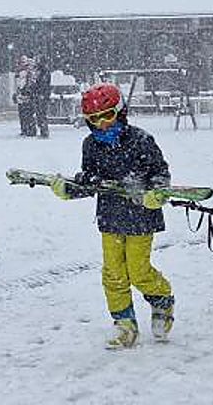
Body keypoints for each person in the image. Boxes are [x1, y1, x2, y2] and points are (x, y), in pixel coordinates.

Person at [49, 82, 174, 349]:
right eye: (94, 119)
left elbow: (160, 174)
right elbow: (93, 184)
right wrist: (71, 189)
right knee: (113, 273)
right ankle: (124, 324)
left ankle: (162, 299)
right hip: (110, 217)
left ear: (121, 112)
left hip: (141, 216)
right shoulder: (91, 146)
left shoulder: (141, 140)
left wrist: (156, 192)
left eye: (107, 116)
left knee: (138, 271)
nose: (102, 124)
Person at [14, 55, 36, 137]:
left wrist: (28, 92)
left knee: (28, 114)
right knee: (22, 113)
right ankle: (24, 129)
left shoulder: (30, 73)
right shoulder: (18, 72)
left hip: (27, 95)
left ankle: (30, 130)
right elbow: (18, 84)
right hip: (21, 94)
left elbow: (31, 84)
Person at [30, 56, 52, 139]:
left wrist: (38, 89)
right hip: (40, 94)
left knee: (42, 113)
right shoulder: (40, 71)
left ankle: (44, 131)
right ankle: (43, 130)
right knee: (39, 113)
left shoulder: (44, 72)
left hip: (42, 95)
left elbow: (43, 84)